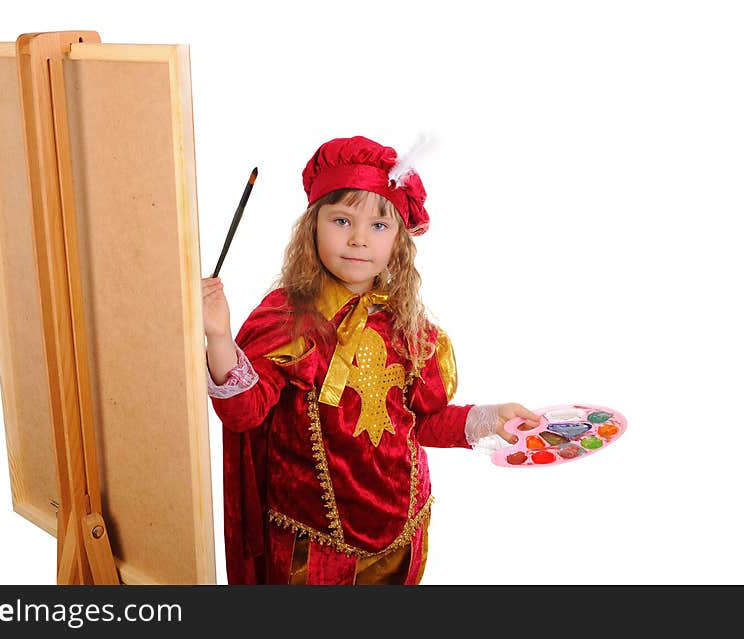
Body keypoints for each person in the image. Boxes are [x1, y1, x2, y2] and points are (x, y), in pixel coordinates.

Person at [201, 135, 540, 585]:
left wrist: (485, 420)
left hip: (402, 538)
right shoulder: (286, 318)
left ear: (398, 239)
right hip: (313, 545)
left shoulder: (408, 325)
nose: (359, 239)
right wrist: (219, 335)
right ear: (312, 227)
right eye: (342, 220)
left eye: (378, 226)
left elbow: (422, 421)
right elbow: (244, 412)